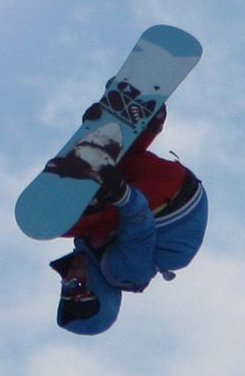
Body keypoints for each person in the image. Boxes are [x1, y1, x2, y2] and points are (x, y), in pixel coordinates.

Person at [48, 110, 209, 336]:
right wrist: (121, 195)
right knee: (66, 224)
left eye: (67, 287)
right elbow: (139, 232)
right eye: (79, 286)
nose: (71, 279)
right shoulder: (122, 274)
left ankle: (144, 124)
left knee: (117, 165)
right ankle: (95, 187)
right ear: (97, 291)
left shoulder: (92, 251)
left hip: (170, 188)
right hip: (169, 201)